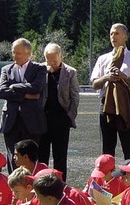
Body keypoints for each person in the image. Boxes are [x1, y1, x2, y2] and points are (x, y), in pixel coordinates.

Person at [91, 23, 130, 159]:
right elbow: (94, 84)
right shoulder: (103, 59)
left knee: (129, 147)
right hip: (106, 106)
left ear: (125, 37)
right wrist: (107, 77)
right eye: (111, 34)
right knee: (107, 149)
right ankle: (108, 179)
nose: (113, 37)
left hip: (126, 106)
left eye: (116, 33)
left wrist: (123, 76)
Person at [0, 38, 47, 173]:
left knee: (31, 158)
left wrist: (13, 87)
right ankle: (15, 187)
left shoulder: (39, 68)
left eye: (18, 53)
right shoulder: (6, 69)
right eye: (13, 52)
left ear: (28, 53)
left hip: (32, 122)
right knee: (12, 159)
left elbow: (37, 87)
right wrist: (25, 94)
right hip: (11, 121)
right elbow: (1, 92)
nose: (15, 56)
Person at [39, 43, 79, 180]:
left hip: (61, 118)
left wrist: (69, 117)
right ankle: (41, 184)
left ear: (61, 56)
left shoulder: (70, 72)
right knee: (42, 155)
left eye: (55, 60)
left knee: (60, 156)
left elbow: (75, 96)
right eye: (49, 60)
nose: (52, 63)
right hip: (43, 118)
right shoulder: (39, 70)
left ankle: (61, 185)